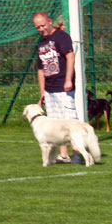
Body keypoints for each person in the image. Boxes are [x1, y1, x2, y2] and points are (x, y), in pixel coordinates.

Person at [33, 12, 82, 165]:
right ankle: (64, 155)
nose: (41, 29)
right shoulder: (41, 43)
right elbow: (41, 70)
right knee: (56, 125)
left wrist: (68, 79)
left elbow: (70, 57)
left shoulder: (61, 37)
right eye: (38, 27)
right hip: (50, 90)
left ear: (49, 21)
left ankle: (77, 155)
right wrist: (42, 93)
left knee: (70, 123)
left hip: (63, 88)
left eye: (43, 25)